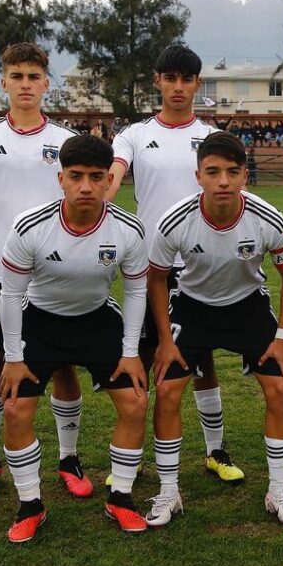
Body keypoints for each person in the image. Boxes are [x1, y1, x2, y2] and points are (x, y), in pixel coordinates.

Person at [0, 43, 88, 504]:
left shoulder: (66, 141)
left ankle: (69, 458)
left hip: (56, 272)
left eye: (34, 76)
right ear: (3, 82)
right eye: (17, 76)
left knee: (63, 362)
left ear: (47, 82)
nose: (26, 84)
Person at [0, 134, 150, 541]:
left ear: (109, 180)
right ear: (60, 178)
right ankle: (30, 503)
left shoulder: (129, 229)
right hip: (40, 321)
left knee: (135, 402)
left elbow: (135, 291)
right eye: (77, 176)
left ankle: (120, 497)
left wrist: (131, 353)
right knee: (15, 410)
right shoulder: (30, 225)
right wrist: (13, 358)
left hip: (97, 319)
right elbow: (11, 294)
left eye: (96, 177)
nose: (86, 186)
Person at [146, 132, 283, 526]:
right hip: (193, 307)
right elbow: (156, 279)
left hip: (247, 308)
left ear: (244, 176)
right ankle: (168, 492)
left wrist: (282, 338)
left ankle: (278, 490)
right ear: (198, 175)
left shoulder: (267, 217)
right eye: (213, 172)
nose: (223, 181)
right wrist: (165, 341)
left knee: (280, 387)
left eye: (232, 172)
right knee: (166, 389)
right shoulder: (175, 220)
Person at [106, 45, 244, 481]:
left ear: (197, 84)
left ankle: (216, 452)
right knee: (143, 356)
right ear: (158, 81)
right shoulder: (132, 135)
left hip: (200, 266)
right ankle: (133, 457)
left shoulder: (211, 138)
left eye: (187, 79)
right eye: (171, 78)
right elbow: (112, 176)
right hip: (149, 268)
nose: (178, 87)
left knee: (201, 362)